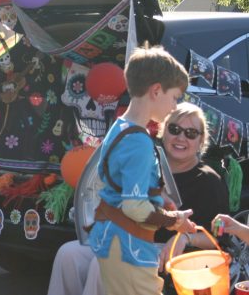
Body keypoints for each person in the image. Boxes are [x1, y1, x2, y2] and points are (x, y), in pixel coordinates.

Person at [48, 102, 229, 295]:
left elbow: (220, 238)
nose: (181, 137)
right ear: (162, 131)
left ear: (201, 141)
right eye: (174, 129)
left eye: (191, 133)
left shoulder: (209, 181)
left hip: (170, 254)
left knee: (103, 264)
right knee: (68, 254)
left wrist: (185, 237)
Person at [88, 44, 195, 295]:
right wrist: (174, 221)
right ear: (156, 91)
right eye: (175, 97)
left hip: (114, 240)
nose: (174, 106)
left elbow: (126, 187)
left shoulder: (121, 127)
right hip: (128, 244)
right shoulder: (138, 141)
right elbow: (134, 206)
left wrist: (161, 201)